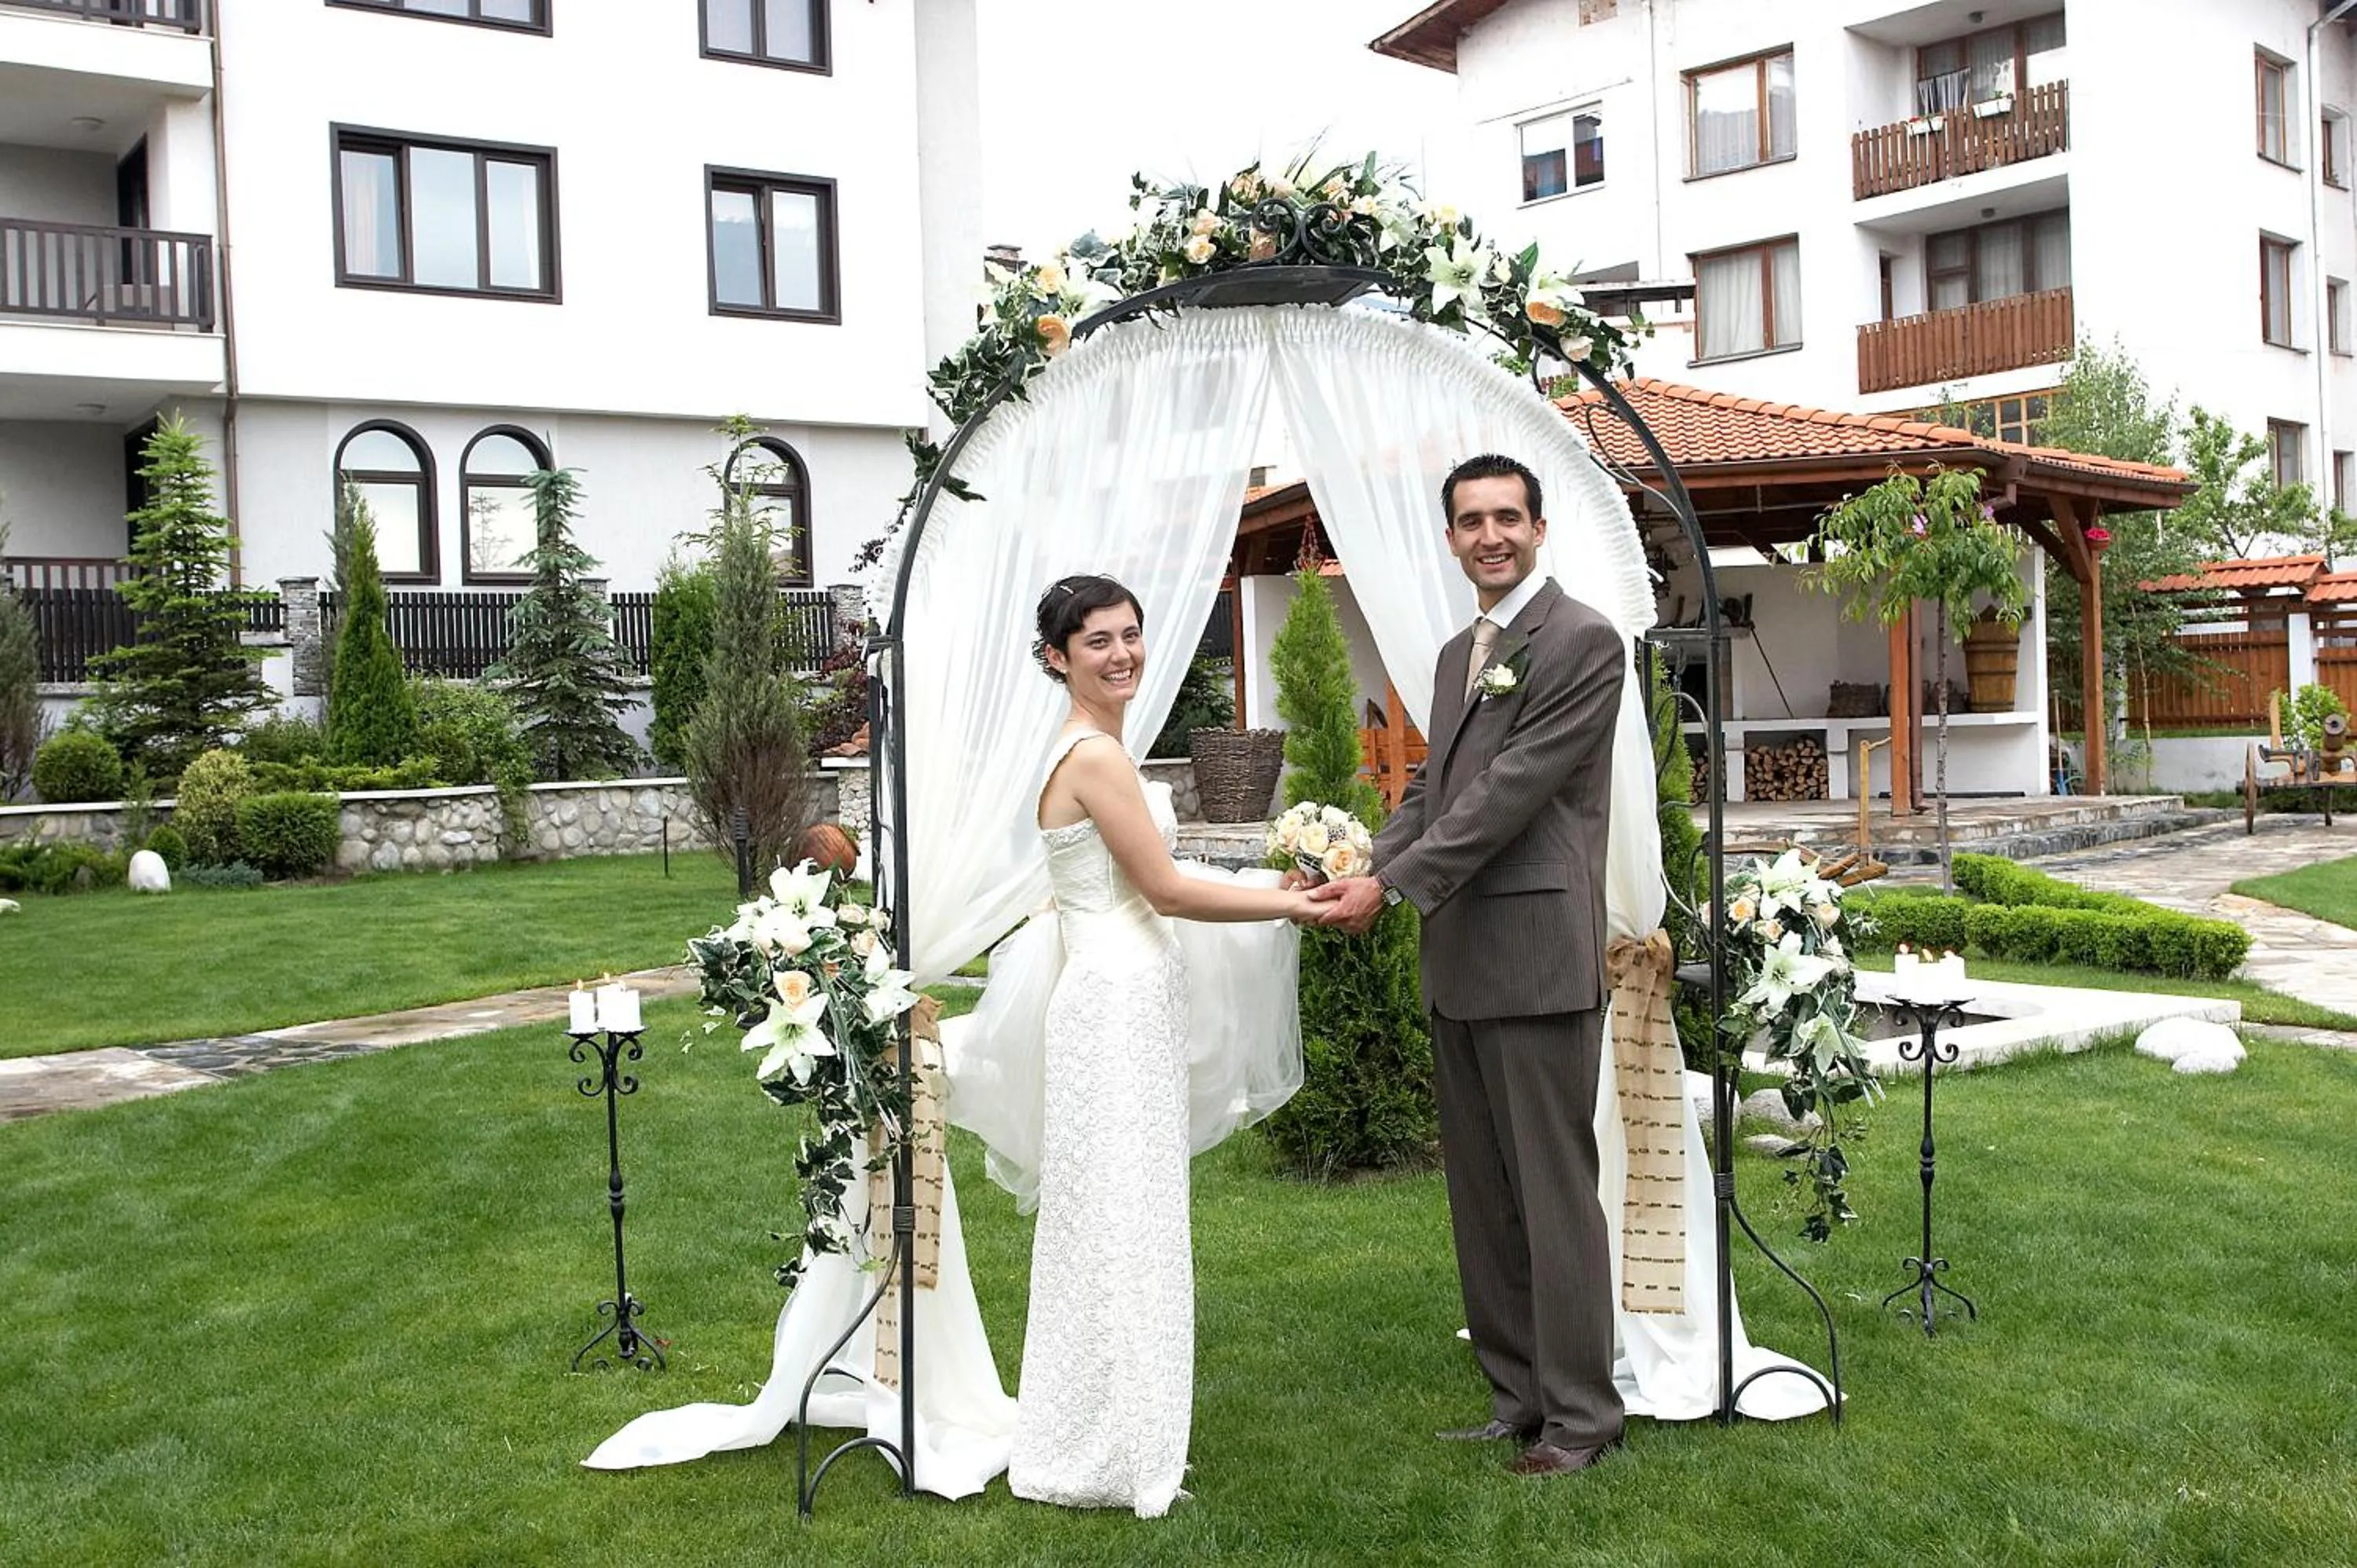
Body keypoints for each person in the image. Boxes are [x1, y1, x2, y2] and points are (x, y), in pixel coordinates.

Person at [1311, 452, 1628, 1478]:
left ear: (1539, 529)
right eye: (1470, 521)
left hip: (1537, 954)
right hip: (1461, 956)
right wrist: (1362, 864)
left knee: (1552, 1192)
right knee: (1484, 1198)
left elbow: (1514, 792)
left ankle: (1581, 1419)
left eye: (1507, 517)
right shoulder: (1459, 655)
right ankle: (1516, 1395)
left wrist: (1394, 889)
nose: (1489, 535)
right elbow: (1436, 795)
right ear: (1451, 539)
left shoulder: (1582, 640)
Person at [1013, 573, 1322, 1516]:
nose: (1122, 654)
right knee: (1121, 1222)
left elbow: (1158, 873)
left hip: (1121, 998)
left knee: (1119, 1218)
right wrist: (1295, 900)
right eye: (1098, 641)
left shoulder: (1100, 746)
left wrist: (1271, 873)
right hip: (1113, 1004)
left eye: (1131, 635)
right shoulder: (1096, 757)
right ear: (1057, 657)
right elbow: (1169, 891)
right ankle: (1118, 1451)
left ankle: (1099, 1430)